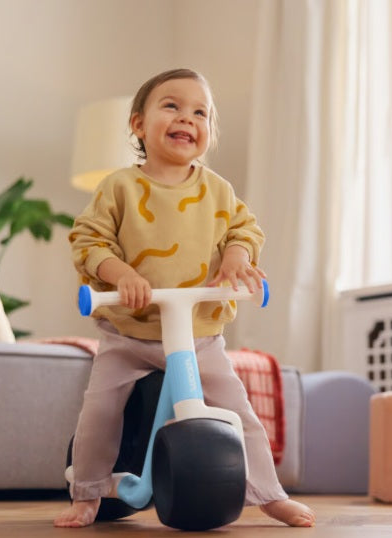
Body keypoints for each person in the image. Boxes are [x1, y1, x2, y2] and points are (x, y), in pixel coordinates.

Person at [54, 68, 315, 528]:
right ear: (138, 124)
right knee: (99, 408)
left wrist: (235, 258)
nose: (187, 118)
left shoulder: (217, 190)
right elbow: (89, 241)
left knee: (240, 411)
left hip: (198, 337)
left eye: (201, 112)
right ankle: (87, 492)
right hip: (129, 334)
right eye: (171, 106)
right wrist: (122, 274)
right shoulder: (120, 187)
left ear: (209, 132)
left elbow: (244, 229)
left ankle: (268, 493)